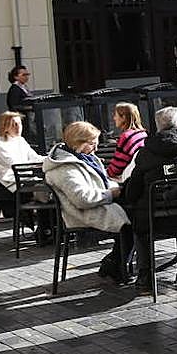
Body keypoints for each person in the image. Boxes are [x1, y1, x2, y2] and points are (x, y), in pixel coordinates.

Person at [43, 121, 134, 285]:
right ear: (78, 143)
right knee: (133, 222)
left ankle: (114, 263)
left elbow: (103, 182)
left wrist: (117, 188)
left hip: (100, 204)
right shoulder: (65, 168)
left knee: (137, 212)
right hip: (83, 213)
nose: (96, 148)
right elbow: (82, 199)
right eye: (92, 144)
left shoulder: (84, 157)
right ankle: (115, 265)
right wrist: (111, 193)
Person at [122, 106, 177, 294]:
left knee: (139, 222)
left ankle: (145, 278)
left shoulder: (145, 153)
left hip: (155, 222)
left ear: (158, 128)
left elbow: (132, 192)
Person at [0, 111, 43, 195]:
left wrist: (50, 159)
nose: (18, 127)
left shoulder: (20, 140)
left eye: (19, 123)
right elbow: (16, 165)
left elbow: (34, 157)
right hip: (14, 183)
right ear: (5, 127)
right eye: (13, 124)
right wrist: (36, 164)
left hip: (29, 179)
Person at [106, 102, 147, 181]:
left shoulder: (126, 136)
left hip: (128, 178)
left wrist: (105, 173)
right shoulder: (143, 133)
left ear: (123, 117)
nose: (114, 118)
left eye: (115, 115)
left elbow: (117, 168)